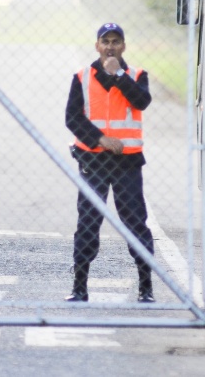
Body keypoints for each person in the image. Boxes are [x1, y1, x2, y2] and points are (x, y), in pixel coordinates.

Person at [64, 22, 156, 302]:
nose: (110, 46)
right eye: (105, 41)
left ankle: (146, 287)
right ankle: (79, 287)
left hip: (127, 163)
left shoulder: (136, 75)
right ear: (97, 46)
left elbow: (141, 102)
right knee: (89, 222)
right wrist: (100, 139)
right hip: (93, 161)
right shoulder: (82, 77)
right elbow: (72, 118)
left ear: (124, 46)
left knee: (135, 223)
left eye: (116, 41)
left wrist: (119, 76)